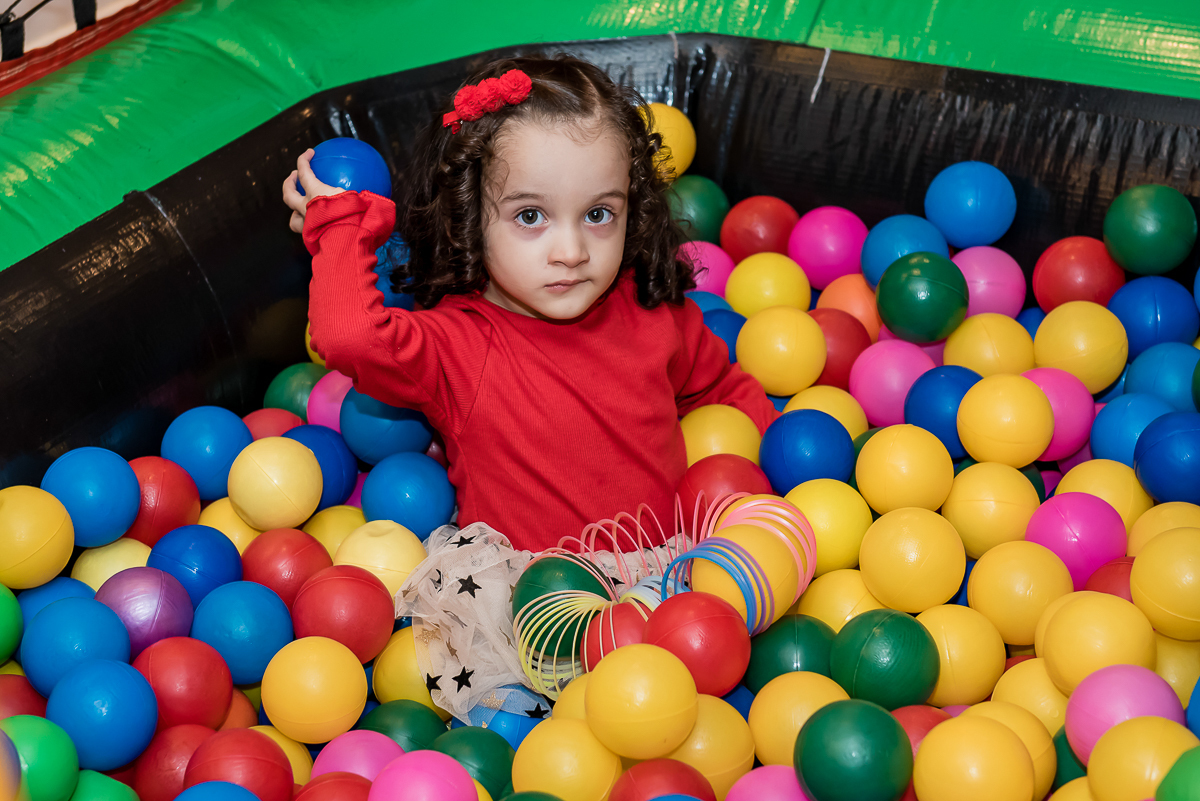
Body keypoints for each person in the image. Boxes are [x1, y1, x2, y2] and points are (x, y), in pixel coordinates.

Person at [284, 54, 776, 554]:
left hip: (671, 578)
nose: (571, 252)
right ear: (469, 215)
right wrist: (339, 230)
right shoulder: (458, 348)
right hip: (534, 593)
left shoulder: (651, 308)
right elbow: (349, 336)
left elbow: (723, 390)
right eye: (530, 216)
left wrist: (777, 468)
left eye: (599, 213)